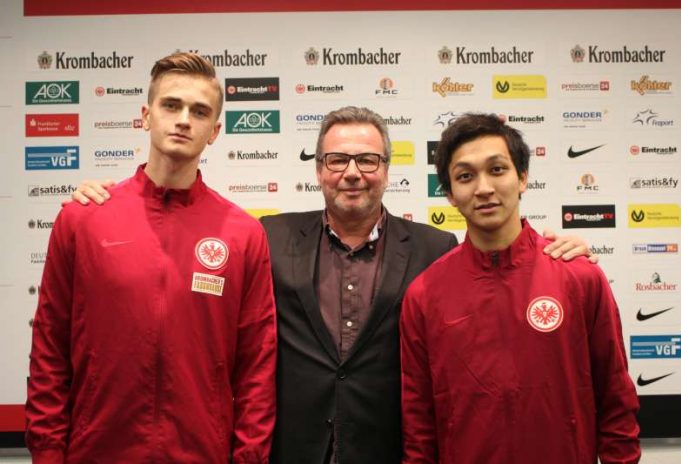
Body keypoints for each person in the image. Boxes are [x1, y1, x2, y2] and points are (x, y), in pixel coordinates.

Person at [70, 106, 592, 464]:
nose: (352, 172)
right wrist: (114, 199)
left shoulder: (438, 250)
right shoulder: (262, 237)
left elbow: (496, 278)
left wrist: (555, 250)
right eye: (337, 160)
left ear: (387, 170)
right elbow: (183, 254)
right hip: (289, 451)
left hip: (385, 450)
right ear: (318, 170)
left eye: (368, 160)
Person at [25, 52, 277, 463]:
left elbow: (256, 368)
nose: (183, 120)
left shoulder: (243, 234)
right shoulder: (83, 219)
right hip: (96, 453)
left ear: (213, 132)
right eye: (171, 105)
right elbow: (50, 349)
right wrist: (49, 454)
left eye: (199, 112)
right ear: (145, 115)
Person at [400, 113, 640, 464]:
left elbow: (616, 399)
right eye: (465, 176)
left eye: (497, 170)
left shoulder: (579, 277)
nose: (483, 188)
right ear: (450, 194)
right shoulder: (424, 295)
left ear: (523, 177)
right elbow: (418, 424)